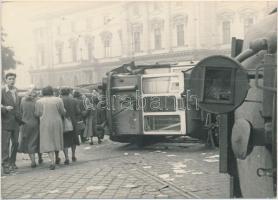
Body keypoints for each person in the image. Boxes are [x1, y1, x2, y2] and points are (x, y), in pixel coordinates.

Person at [35, 86, 66, 170]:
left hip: (45, 122)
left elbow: (37, 114)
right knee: (56, 139)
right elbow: (63, 112)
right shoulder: (58, 100)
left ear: (43, 92)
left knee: (48, 141)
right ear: (52, 91)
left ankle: (52, 161)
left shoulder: (39, 102)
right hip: (57, 122)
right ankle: (57, 157)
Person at [1, 73, 22, 174]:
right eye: (9, 79)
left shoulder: (15, 90)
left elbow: (17, 105)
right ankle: (5, 164)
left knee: (16, 143)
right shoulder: (2, 91)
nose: (12, 81)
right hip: (6, 121)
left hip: (16, 121)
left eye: (13, 79)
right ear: (5, 80)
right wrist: (5, 108)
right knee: (5, 144)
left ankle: (12, 162)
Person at [18, 87, 42, 168]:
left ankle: (33, 161)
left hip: (25, 124)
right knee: (37, 141)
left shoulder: (22, 101)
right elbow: (38, 114)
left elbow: (20, 112)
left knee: (29, 143)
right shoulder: (36, 101)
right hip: (35, 123)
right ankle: (40, 158)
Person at [60, 87, 80, 164]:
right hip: (73, 122)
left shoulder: (60, 101)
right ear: (69, 93)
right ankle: (73, 155)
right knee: (73, 140)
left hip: (63, 123)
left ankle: (66, 158)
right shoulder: (74, 100)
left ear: (61, 93)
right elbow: (78, 111)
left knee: (65, 140)